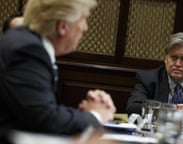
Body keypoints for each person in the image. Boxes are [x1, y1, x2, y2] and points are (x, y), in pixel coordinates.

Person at [0, 0, 116, 141]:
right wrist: (96, 116)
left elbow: (35, 111)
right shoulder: (28, 50)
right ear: (63, 26)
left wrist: (82, 114)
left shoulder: (27, 43)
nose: (85, 28)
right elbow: (44, 119)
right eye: (84, 19)